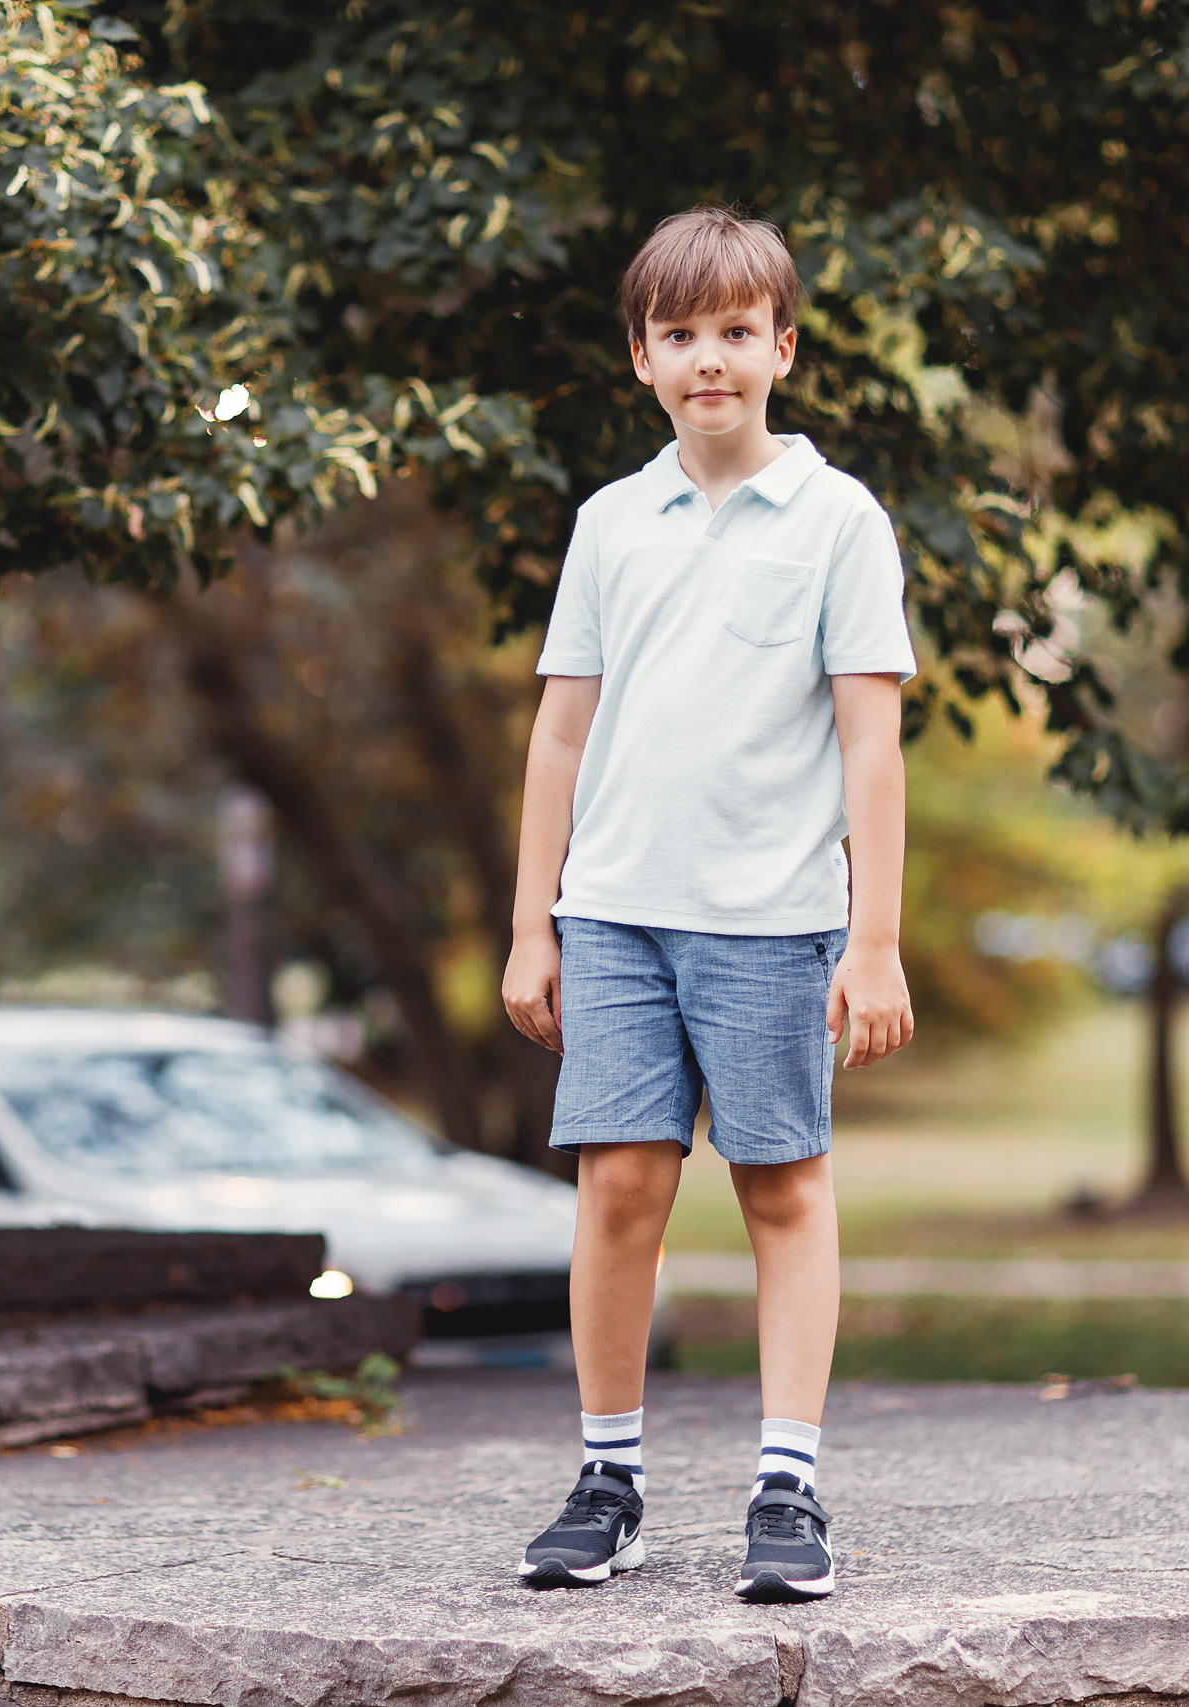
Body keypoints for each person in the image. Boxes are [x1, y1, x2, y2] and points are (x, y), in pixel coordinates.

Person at [500, 206, 917, 1603]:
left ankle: (787, 1483)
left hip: (771, 920)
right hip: (615, 913)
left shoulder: (839, 519)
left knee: (783, 1188)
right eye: (680, 335)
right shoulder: (612, 523)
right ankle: (607, 1474)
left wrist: (874, 939)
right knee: (620, 1185)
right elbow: (562, 734)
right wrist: (530, 920)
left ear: (782, 349)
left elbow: (870, 740)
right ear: (642, 359)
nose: (709, 360)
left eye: (736, 332)